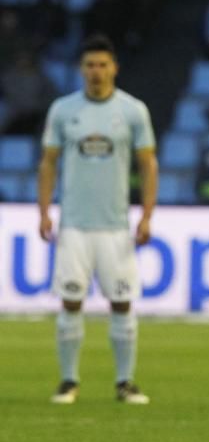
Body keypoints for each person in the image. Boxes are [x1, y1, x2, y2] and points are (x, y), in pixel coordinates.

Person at [37, 33, 158, 406]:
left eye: (103, 64)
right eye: (90, 65)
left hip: (115, 226)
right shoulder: (63, 110)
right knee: (70, 302)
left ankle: (125, 382)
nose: (96, 71)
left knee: (121, 303)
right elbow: (49, 162)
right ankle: (69, 380)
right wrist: (44, 210)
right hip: (73, 223)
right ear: (81, 69)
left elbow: (148, 164)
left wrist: (147, 215)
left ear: (114, 68)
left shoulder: (133, 111)